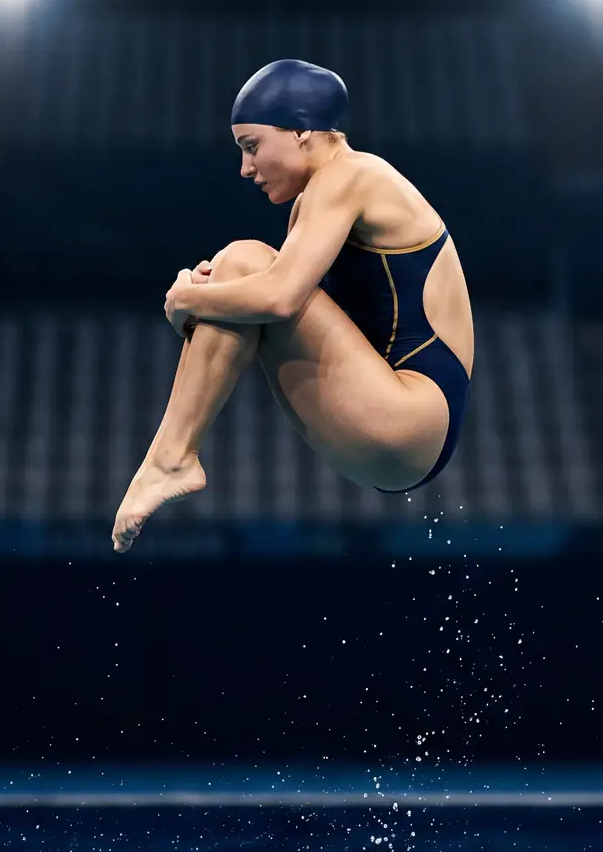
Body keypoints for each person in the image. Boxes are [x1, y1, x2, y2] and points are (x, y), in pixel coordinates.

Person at [112, 58, 474, 553]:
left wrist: (188, 297)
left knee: (244, 261)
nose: (245, 168)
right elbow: (261, 314)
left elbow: (279, 299)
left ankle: (171, 457)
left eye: (251, 146)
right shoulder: (324, 197)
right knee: (240, 271)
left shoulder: (351, 176)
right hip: (402, 432)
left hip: (411, 418)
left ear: (302, 130)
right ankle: (171, 457)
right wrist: (201, 303)